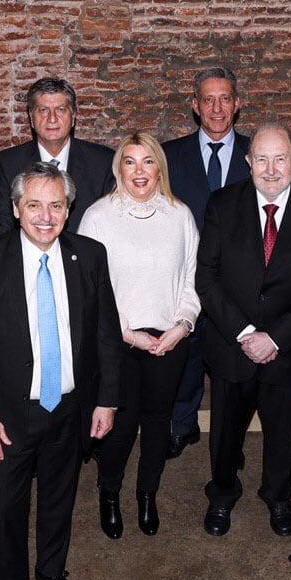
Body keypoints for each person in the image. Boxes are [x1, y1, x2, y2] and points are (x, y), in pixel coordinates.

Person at [0, 162, 120, 580]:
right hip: (5, 417)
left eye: (56, 205)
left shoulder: (89, 256)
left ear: (68, 209)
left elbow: (106, 334)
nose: (45, 216)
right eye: (34, 205)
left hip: (69, 409)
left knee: (60, 498)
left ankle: (52, 571)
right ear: (15, 208)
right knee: (6, 510)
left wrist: (106, 400)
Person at [195, 124, 291, 539]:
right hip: (231, 345)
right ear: (248, 162)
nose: (271, 169)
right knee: (225, 431)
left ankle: (278, 495)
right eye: (262, 159)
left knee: (280, 431)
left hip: (286, 347)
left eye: (280, 159)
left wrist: (275, 338)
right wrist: (244, 333)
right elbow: (206, 277)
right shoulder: (222, 204)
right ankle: (222, 493)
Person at [79, 132, 200, 538]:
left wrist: (182, 325)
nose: (139, 171)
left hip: (169, 341)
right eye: (129, 162)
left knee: (158, 422)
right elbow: (90, 288)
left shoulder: (180, 215)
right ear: (119, 170)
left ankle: (148, 493)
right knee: (121, 423)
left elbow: (193, 278)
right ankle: (109, 492)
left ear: (159, 168)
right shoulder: (98, 217)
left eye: (148, 161)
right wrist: (128, 334)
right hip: (118, 342)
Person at [161, 67, 251, 460]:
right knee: (186, 357)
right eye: (208, 100)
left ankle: (232, 439)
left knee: (237, 367)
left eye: (225, 99)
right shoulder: (168, 156)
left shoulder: (257, 154)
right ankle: (182, 425)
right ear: (195, 106)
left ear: (237, 103)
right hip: (187, 277)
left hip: (241, 282)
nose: (217, 108)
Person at [0, 77, 114, 235]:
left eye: (60, 109)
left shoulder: (103, 162)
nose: (52, 118)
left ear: (73, 116)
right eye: (43, 110)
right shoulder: (8, 163)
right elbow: (1, 232)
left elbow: (110, 228)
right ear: (31, 118)